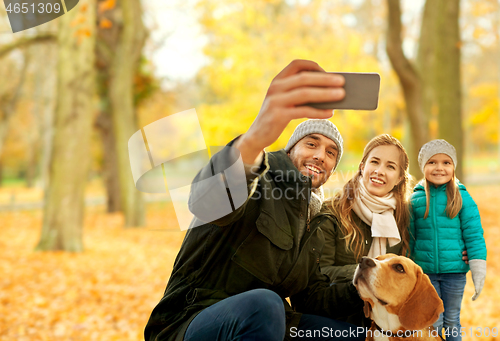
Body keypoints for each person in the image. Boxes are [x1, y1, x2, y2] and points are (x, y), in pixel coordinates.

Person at [144, 60, 366, 341]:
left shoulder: (315, 220)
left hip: (270, 324)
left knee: (354, 336)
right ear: (289, 150)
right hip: (190, 321)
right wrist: (254, 139)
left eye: (331, 152)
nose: (321, 155)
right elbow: (206, 202)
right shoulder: (257, 180)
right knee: (265, 304)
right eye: (311, 144)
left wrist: (365, 286)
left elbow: (310, 298)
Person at [314, 134, 412, 326]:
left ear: (400, 178)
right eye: (374, 162)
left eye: (390, 166)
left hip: (388, 320)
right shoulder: (331, 212)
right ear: (362, 166)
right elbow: (320, 272)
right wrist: (369, 273)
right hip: (340, 318)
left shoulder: (404, 216)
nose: (379, 171)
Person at [409, 139, 487, 341]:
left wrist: (478, 269)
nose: (439, 168)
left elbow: (474, 234)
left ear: (453, 167)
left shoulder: (462, 198)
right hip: (425, 273)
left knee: (452, 320)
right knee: (433, 321)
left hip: (455, 273)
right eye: (432, 162)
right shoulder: (415, 200)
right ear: (423, 166)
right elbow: (408, 236)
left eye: (446, 162)